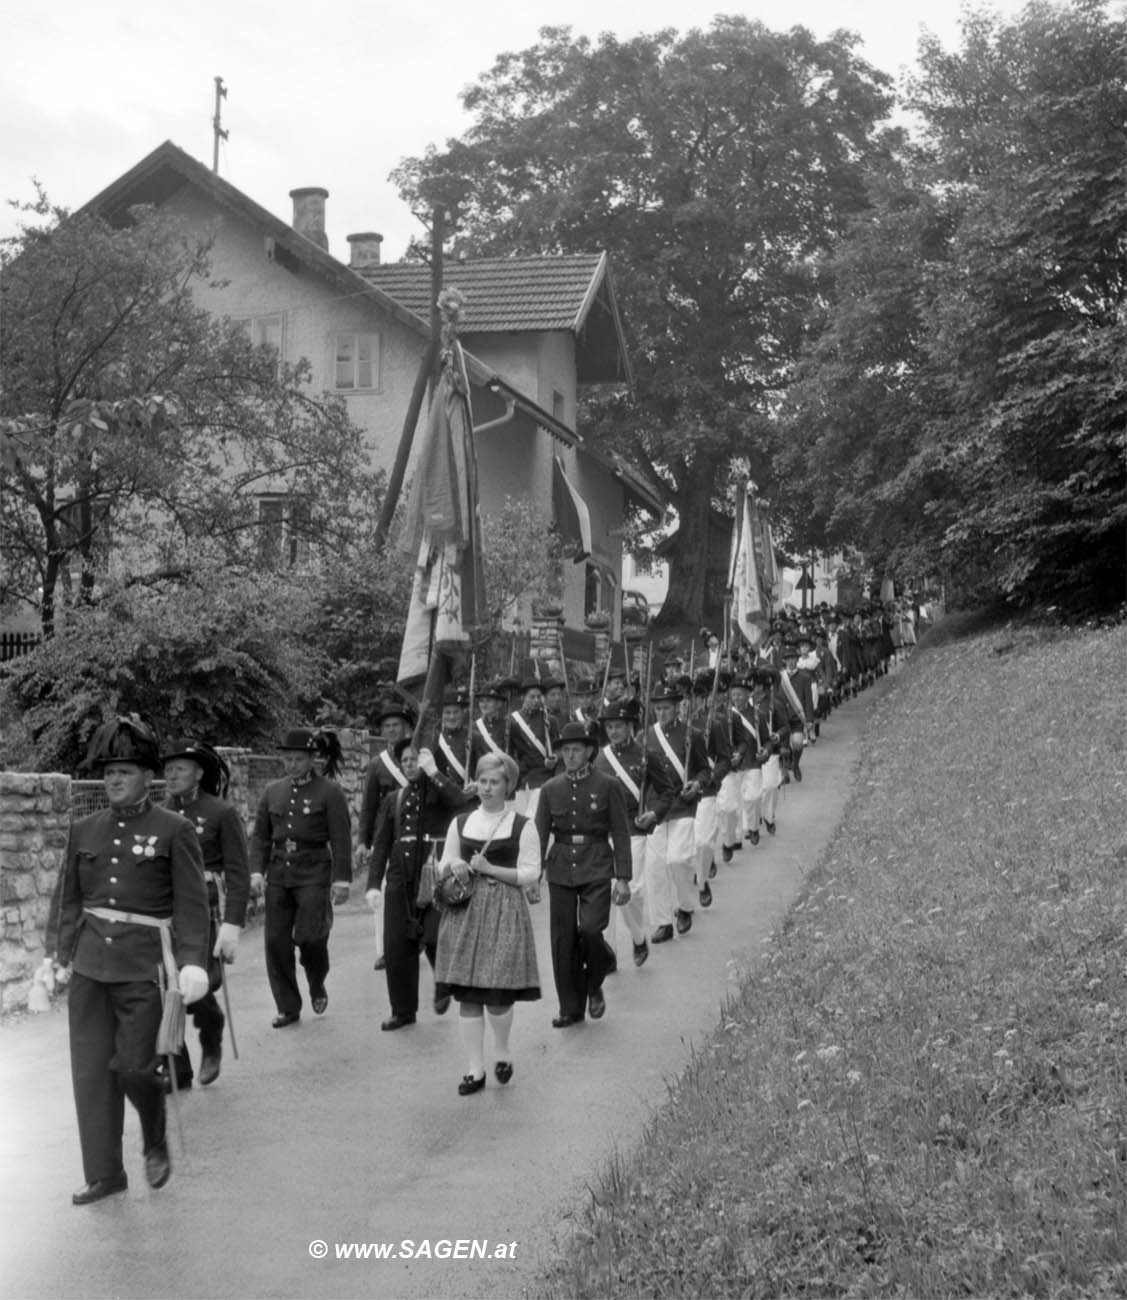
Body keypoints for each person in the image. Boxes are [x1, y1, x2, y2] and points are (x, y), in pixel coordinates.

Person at [43, 715, 210, 1205]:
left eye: (126, 771)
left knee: (136, 1068)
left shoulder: (174, 830)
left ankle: (154, 1136)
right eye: (109, 772)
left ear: (148, 777)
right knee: (91, 1073)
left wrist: (193, 963)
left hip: (145, 969)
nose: (114, 779)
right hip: (91, 967)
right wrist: (57, 957)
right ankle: (105, 1173)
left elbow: (192, 907)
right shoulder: (83, 829)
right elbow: (67, 900)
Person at [433, 752, 541, 1094]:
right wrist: (456, 866)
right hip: (464, 913)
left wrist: (490, 869)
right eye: (482, 781)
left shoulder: (523, 825)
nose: (487, 788)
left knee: (497, 993)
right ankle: (475, 1069)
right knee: (467, 994)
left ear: (508, 785)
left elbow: (530, 872)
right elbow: (443, 861)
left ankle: (503, 1051)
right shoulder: (461, 822)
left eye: (495, 782)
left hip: (503, 912)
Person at [160, 739, 250, 1090]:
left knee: (197, 984)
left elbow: (239, 872)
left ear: (198, 773)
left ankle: (211, 1034)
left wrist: (232, 924)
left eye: (179, 768)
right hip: (166, 912)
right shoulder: (159, 813)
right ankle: (177, 1065)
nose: (171, 775)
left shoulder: (220, 812)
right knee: (168, 984)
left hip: (206, 909)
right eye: (167, 770)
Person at [251, 728, 352, 1028]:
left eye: (298, 759)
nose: (292, 764)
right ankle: (288, 1006)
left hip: (314, 870)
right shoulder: (272, 791)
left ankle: (316, 979)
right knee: (275, 941)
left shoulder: (329, 791)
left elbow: (341, 837)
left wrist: (342, 880)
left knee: (311, 936)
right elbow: (260, 837)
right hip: (280, 872)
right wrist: (257, 871)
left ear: (312, 759)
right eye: (287, 759)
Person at [365, 740, 469, 1031]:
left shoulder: (439, 793)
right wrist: (374, 884)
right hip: (401, 874)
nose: (410, 765)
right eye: (406, 760)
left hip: (432, 871)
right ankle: (402, 1010)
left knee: (435, 934)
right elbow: (382, 844)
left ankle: (443, 980)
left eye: (416, 759)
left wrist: (434, 773)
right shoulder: (394, 799)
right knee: (397, 945)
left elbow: (463, 804)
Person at [535, 721, 632, 1027]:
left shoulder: (608, 785)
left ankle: (594, 983)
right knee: (562, 940)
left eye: (576, 749)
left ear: (590, 751)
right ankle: (570, 1007)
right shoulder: (551, 789)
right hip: (561, 865)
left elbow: (620, 831)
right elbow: (538, 835)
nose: (571, 756)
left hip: (597, 863)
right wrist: (532, 875)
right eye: (566, 750)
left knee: (591, 929)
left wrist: (623, 877)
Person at [641, 686, 711, 941]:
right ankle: (662, 923)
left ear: (677, 707)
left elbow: (704, 770)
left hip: (683, 804)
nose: (661, 713)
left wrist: (698, 783)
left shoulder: (693, 734)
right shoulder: (646, 736)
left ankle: (684, 906)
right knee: (655, 867)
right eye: (657, 708)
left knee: (678, 860)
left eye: (666, 708)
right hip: (655, 807)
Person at [593, 701, 656, 967]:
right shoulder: (599, 758)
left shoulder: (645, 754)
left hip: (633, 828)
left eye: (619, 726)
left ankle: (639, 937)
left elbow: (663, 791)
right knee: (605, 894)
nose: (614, 731)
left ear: (630, 727)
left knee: (630, 890)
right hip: (604, 832)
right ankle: (608, 954)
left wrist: (651, 810)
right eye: (610, 727)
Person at [507, 680, 560, 820]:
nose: (536, 701)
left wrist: (555, 758)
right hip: (522, 780)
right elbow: (509, 752)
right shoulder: (513, 721)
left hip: (544, 778)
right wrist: (519, 766)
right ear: (522, 697)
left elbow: (559, 748)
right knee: (521, 820)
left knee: (538, 819)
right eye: (532, 697)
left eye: (538, 697)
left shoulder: (550, 719)